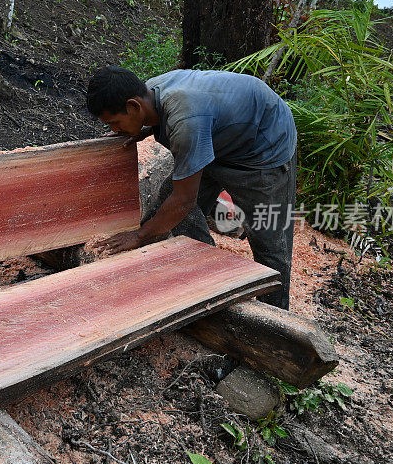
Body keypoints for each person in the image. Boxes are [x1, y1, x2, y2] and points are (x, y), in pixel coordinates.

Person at [87, 66, 297, 310]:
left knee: (269, 242)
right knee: (171, 202)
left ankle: (277, 320)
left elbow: (184, 201)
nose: (114, 130)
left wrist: (139, 235)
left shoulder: (186, 121)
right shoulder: (151, 93)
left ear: (134, 107)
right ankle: (211, 276)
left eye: (115, 123)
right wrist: (143, 128)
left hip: (263, 146)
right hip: (220, 135)